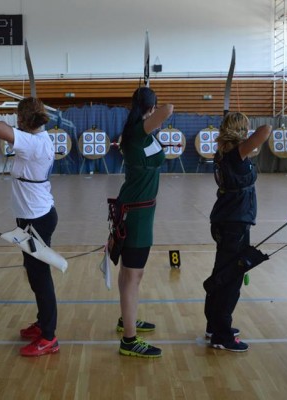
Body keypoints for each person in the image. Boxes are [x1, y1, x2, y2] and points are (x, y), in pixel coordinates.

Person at [0, 97, 60, 357]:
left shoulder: (33, 142)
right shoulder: (33, 139)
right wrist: (22, 124)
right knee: (33, 273)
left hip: (37, 219)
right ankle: (43, 323)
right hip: (30, 216)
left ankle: (49, 337)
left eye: (18, 117)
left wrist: (19, 127)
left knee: (40, 277)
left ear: (24, 120)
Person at [203, 112, 271, 352]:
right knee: (231, 278)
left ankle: (214, 325)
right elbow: (265, 130)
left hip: (228, 220)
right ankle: (222, 334)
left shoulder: (225, 151)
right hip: (234, 223)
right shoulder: (236, 153)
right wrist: (246, 134)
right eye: (246, 126)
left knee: (222, 273)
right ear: (240, 129)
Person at [113, 87, 173, 358]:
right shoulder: (138, 131)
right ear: (149, 107)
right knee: (132, 275)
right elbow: (168, 109)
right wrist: (153, 107)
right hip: (135, 215)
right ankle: (129, 340)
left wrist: (149, 109)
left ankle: (126, 318)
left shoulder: (141, 133)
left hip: (138, 212)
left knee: (131, 273)